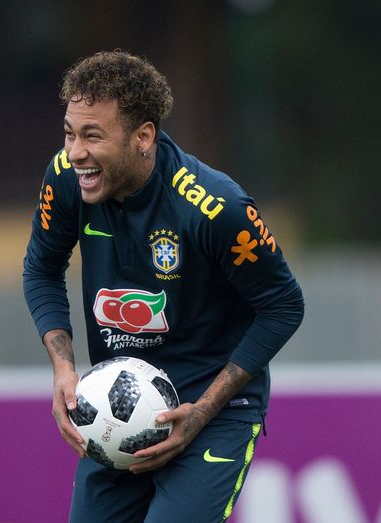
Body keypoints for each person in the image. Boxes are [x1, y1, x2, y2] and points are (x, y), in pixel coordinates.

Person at [22, 51, 304, 523]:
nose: (75, 152)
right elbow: (41, 269)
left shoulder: (215, 207)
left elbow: (283, 306)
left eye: (93, 136)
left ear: (144, 137)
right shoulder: (67, 178)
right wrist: (64, 369)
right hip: (120, 407)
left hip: (214, 408)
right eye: (70, 133)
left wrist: (202, 411)